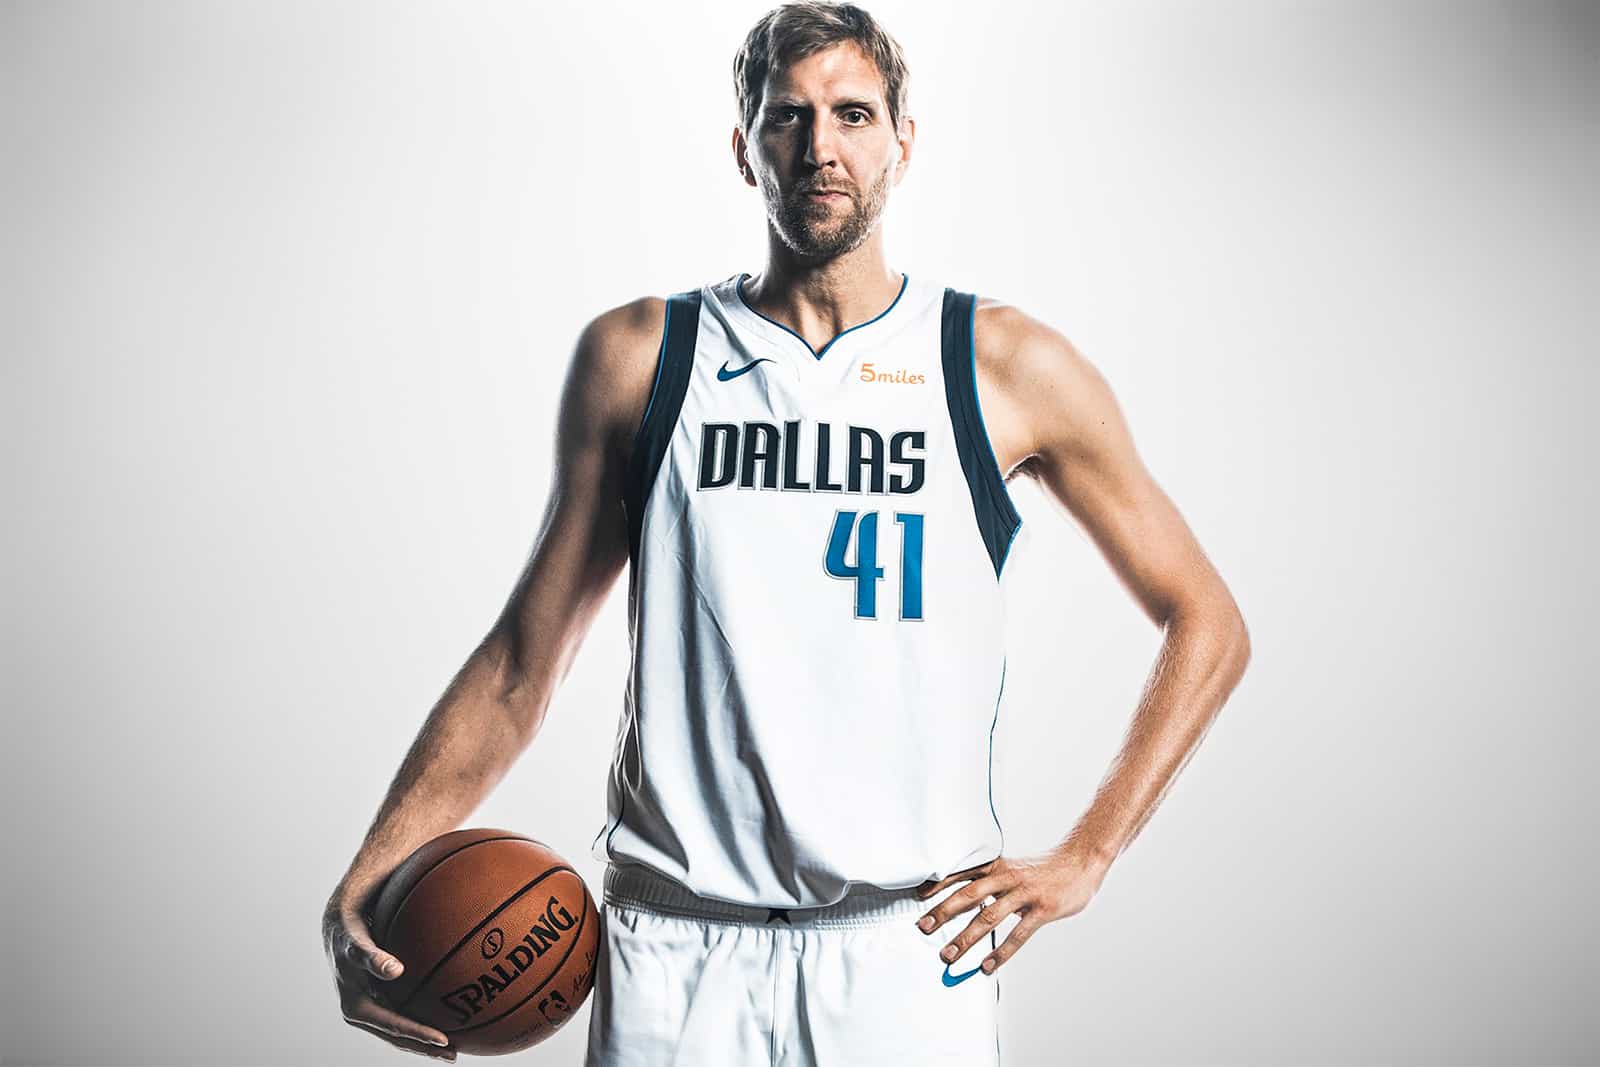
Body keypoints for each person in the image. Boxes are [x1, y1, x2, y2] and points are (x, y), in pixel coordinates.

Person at [322, 3, 1251, 1063]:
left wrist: (1090, 852)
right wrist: (372, 870)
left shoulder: (998, 363)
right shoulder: (642, 356)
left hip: (907, 942)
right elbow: (520, 668)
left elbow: (1206, 619)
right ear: (743, 147)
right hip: (675, 944)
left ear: (903, 141)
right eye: (787, 117)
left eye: (853, 114)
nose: (820, 147)